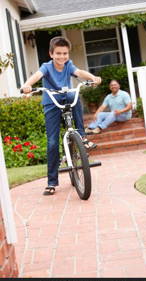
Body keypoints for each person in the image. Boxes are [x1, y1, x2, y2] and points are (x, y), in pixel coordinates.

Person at [21, 36, 101, 195]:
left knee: (74, 95)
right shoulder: (46, 67)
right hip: (51, 102)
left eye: (65, 53)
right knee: (52, 142)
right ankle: (51, 182)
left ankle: (82, 137)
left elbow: (79, 72)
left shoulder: (68, 65)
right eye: (58, 53)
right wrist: (28, 85)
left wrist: (93, 77)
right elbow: (36, 76)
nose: (62, 56)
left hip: (66, 97)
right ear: (51, 54)